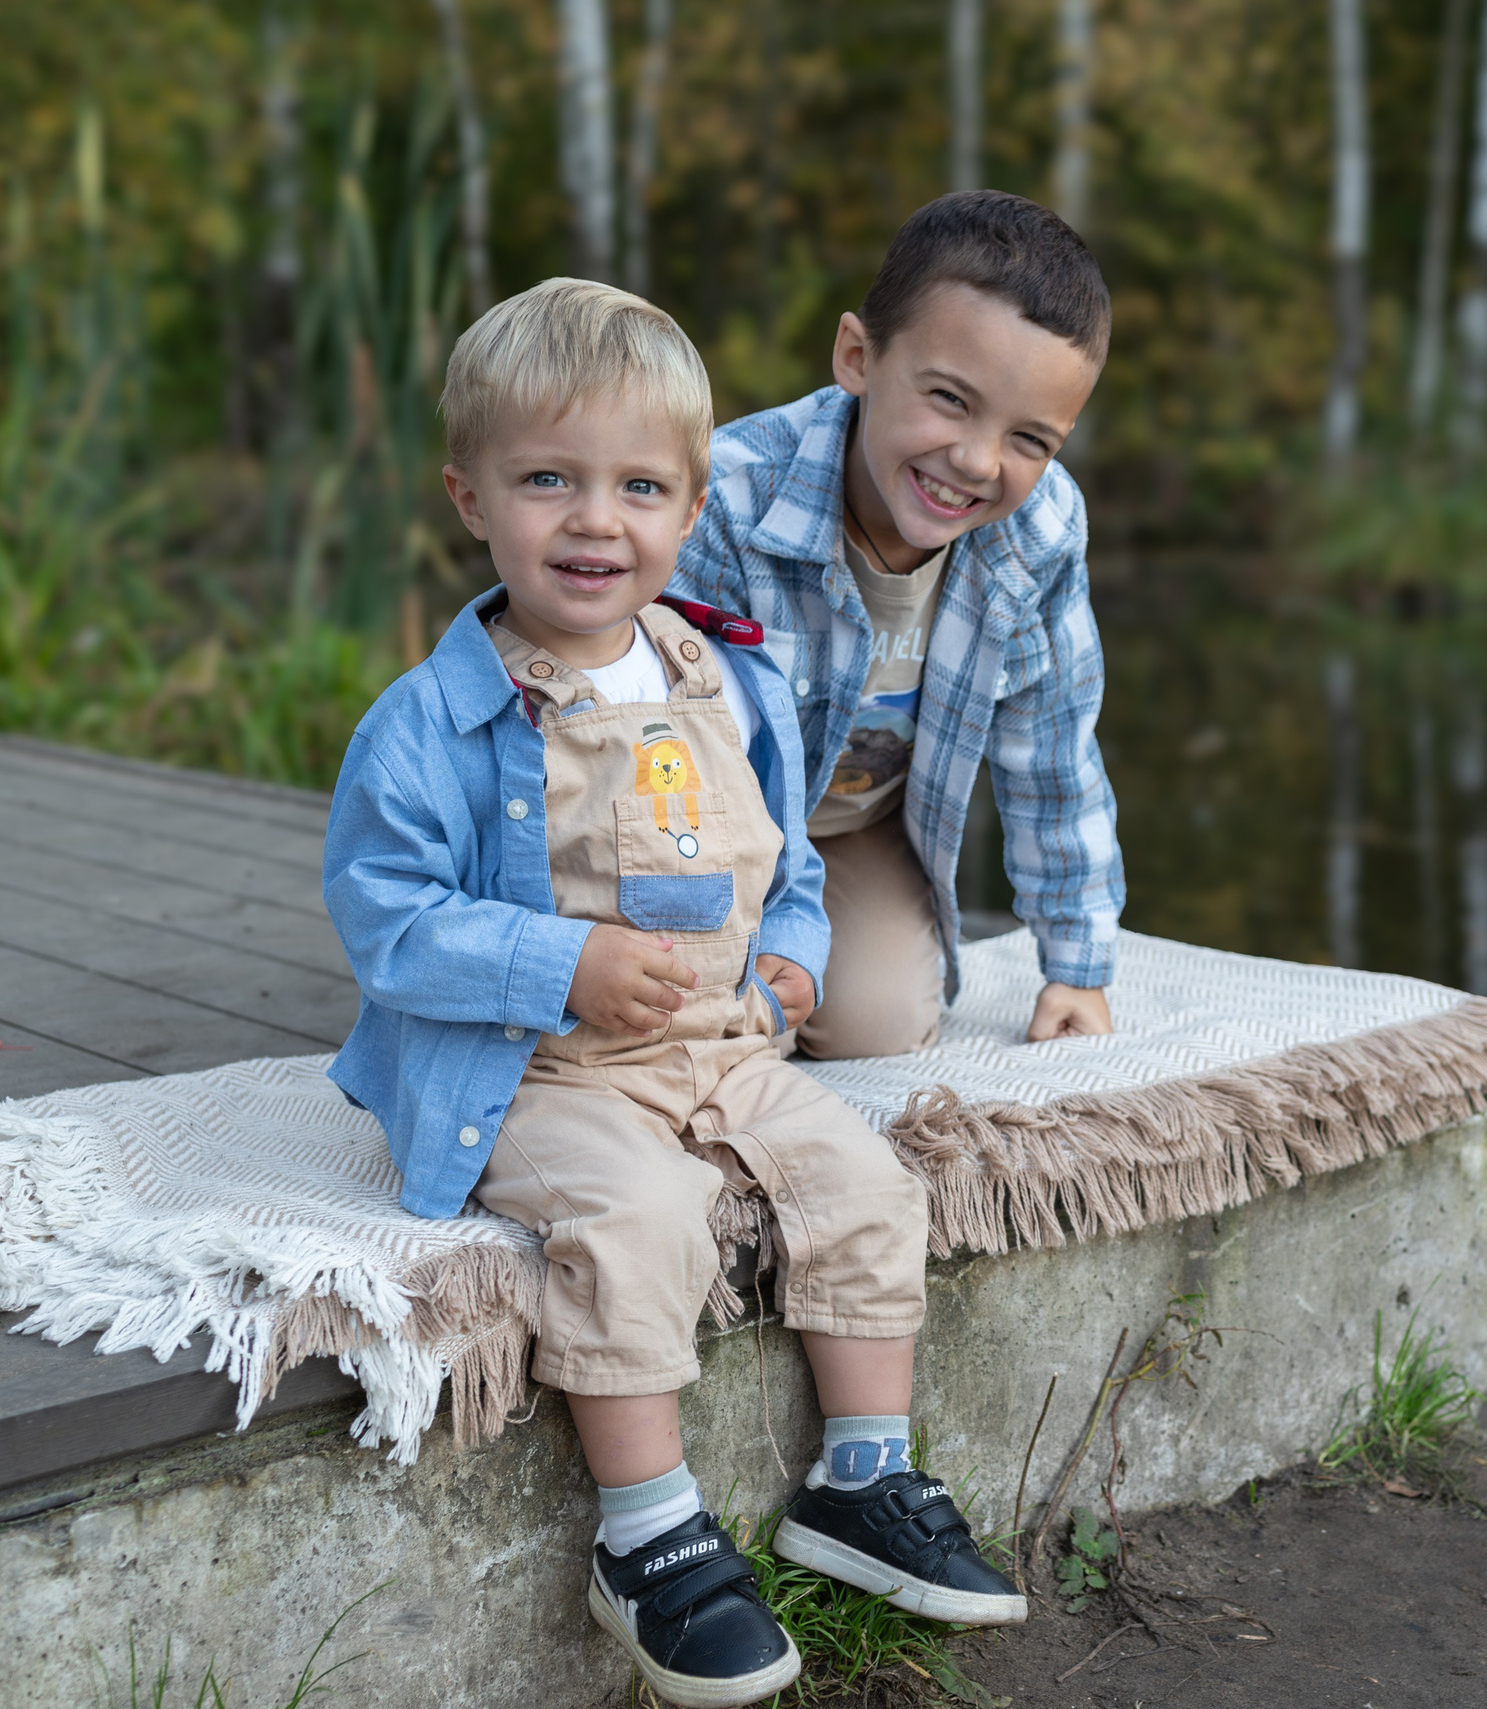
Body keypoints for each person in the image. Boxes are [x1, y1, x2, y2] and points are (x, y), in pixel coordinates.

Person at [321, 278, 1023, 1709]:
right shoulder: (430, 721)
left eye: (639, 485)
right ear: (470, 496)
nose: (596, 520)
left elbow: (791, 865)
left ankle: (859, 1479)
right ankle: (648, 1535)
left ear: (690, 503)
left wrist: (794, 963)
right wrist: (559, 961)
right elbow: (385, 923)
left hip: (723, 1042)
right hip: (537, 1067)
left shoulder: (730, 681)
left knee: (867, 1181)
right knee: (640, 1220)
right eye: (547, 481)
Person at [675, 189, 1123, 1057]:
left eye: (1030, 439)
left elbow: (1054, 756)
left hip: (850, 828)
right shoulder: (726, 501)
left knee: (878, 1030)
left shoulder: (1037, 537)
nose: (977, 460)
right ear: (858, 356)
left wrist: (1078, 964)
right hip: (698, 834)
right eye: (951, 399)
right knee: (714, 1036)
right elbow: (634, 729)